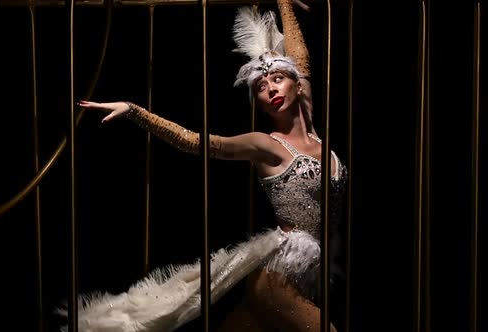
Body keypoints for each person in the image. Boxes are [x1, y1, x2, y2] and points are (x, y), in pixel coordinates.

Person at [70, 1, 347, 331]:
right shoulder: (266, 145)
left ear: (297, 84)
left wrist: (285, 2)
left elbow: (300, 57)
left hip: (305, 277)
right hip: (277, 281)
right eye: (261, 86)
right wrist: (135, 112)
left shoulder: (314, 129)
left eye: (277, 78)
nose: (271, 87)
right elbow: (198, 142)